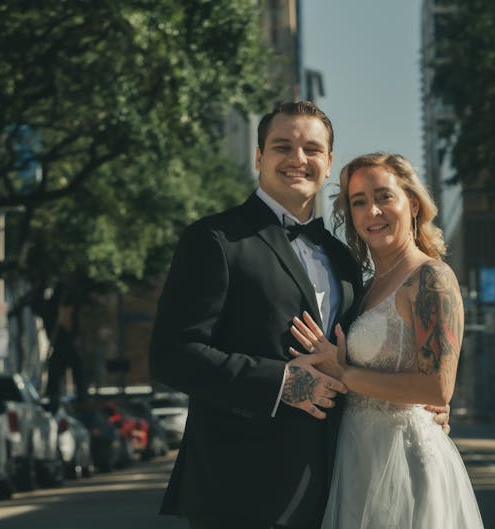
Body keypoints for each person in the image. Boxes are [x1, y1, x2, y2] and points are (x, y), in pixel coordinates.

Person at [149, 102, 447, 529]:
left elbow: (360, 358)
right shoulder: (214, 240)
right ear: (259, 157)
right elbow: (171, 355)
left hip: (338, 487)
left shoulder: (345, 259)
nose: (297, 159)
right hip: (239, 493)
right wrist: (282, 382)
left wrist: (421, 401)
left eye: (311, 148)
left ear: (328, 164)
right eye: (282, 146)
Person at [290, 153, 483, 529]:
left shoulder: (432, 279)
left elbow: (438, 388)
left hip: (405, 461)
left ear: (412, 203)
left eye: (383, 197)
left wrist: (343, 372)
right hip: (356, 455)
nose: (372, 211)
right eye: (359, 202)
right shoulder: (362, 289)